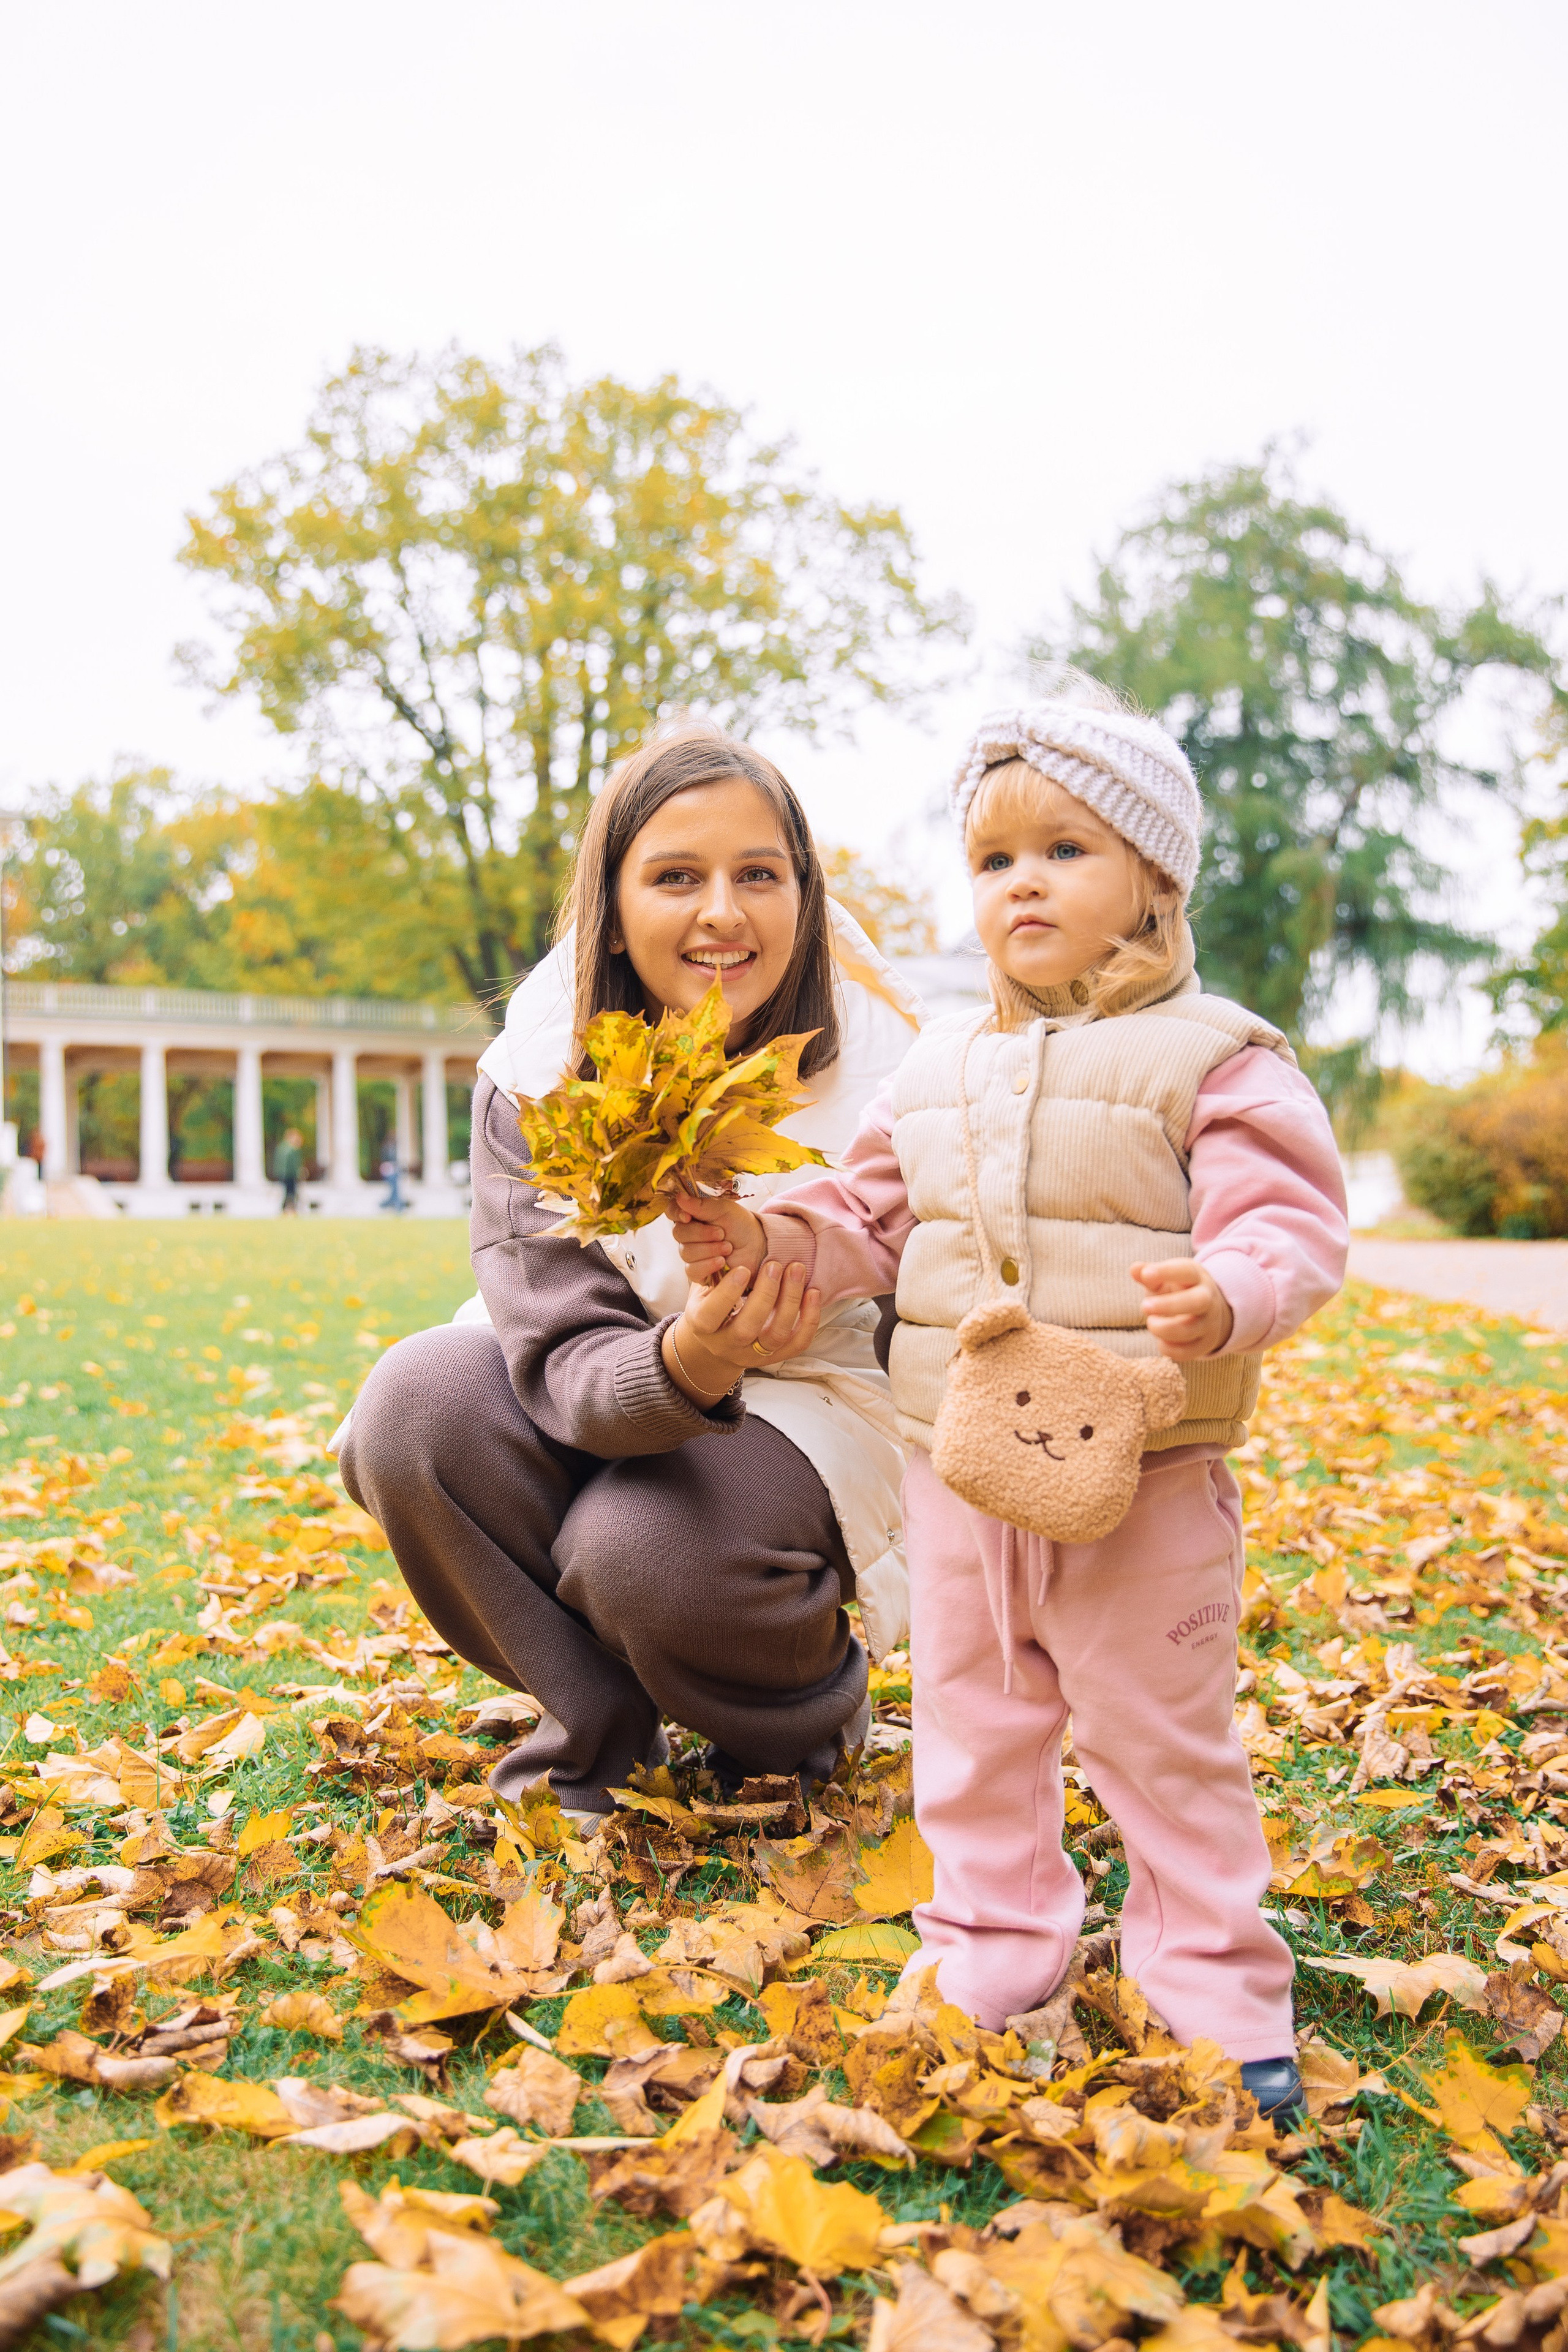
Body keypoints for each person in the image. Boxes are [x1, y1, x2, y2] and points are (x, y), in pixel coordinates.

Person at [673, 679, 1348, 2119]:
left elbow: (1287, 1224)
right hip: (959, 1467)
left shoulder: (1214, 1057)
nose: (1019, 883)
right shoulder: (934, 1069)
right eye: (991, 859)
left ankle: (1215, 1987)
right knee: (974, 1728)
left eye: (1062, 850)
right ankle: (989, 1947)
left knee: (1159, 1739)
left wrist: (1227, 1290)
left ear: (1152, 880)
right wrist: (767, 1238)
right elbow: (862, 1221)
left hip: (1143, 1473)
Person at [336, 723, 922, 1823]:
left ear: (805, 894)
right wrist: (689, 1359)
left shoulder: (900, 1071)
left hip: (811, 1394)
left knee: (638, 1550)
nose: (723, 912)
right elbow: (557, 1334)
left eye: (760, 875)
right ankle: (597, 1729)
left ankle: (798, 1717)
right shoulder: (537, 1069)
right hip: (602, 1364)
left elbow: (944, 1316)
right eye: (676, 877)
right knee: (414, 1407)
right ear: (612, 906)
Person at [276, 1127, 303, 1214]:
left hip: (283, 1174)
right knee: (291, 1192)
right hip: (290, 1175)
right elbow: (294, 1164)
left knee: (287, 1192)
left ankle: (286, 1209)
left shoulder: (282, 1147)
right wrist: (298, 1173)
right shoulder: (292, 1150)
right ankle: (290, 1209)